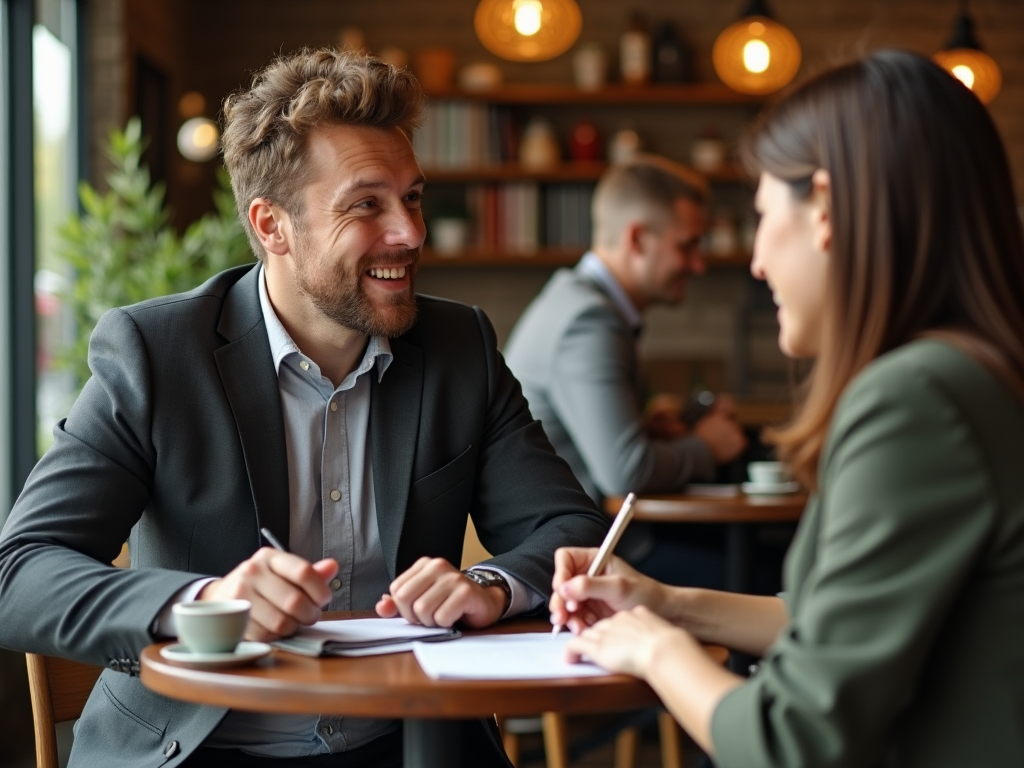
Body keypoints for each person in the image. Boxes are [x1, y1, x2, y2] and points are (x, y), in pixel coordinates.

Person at [0, 48, 608, 768]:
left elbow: (569, 529)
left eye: (411, 197)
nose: (410, 233)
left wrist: (488, 585)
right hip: (197, 748)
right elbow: (22, 574)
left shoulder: (458, 345)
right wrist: (205, 604)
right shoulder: (156, 352)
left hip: (405, 743)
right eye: (366, 204)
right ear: (272, 226)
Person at [549, 49, 1024, 767]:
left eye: (765, 215)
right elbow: (821, 624)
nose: (758, 262)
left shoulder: (915, 398)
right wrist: (665, 604)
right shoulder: (971, 373)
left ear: (826, 210)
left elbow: (789, 739)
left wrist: (657, 651)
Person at [504, 155, 748, 588]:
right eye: (687, 246)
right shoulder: (589, 321)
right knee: (764, 574)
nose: (698, 265)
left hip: (588, 547)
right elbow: (625, 470)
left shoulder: (579, 301)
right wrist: (708, 446)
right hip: (580, 562)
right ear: (637, 238)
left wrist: (649, 430)